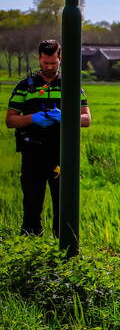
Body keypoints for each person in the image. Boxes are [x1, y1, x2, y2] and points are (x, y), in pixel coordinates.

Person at [5, 39, 92, 236]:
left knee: (63, 203)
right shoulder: (24, 86)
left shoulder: (71, 85)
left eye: (53, 63)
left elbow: (86, 119)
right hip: (32, 152)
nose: (49, 67)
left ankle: (63, 244)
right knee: (32, 203)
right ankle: (29, 244)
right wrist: (33, 119)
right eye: (45, 63)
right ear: (39, 59)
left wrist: (66, 118)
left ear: (60, 59)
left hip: (62, 152)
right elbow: (10, 120)